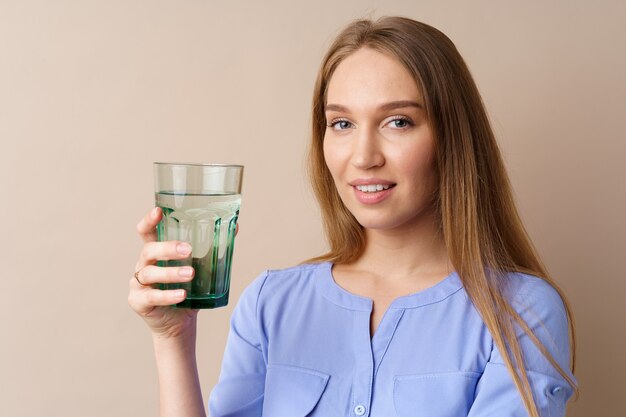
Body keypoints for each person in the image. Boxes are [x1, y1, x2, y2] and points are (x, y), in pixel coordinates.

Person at [129, 16, 578, 417]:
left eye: (398, 122)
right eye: (342, 124)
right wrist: (173, 340)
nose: (363, 157)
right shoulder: (270, 303)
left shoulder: (521, 312)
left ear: (451, 138)